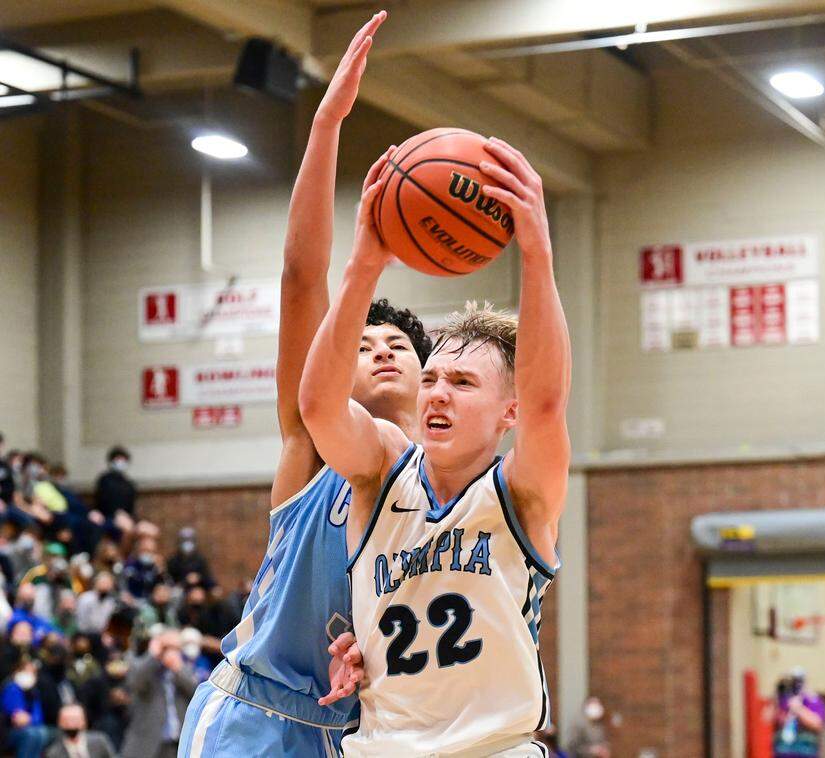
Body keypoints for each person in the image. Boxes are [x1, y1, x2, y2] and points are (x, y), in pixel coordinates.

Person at [178, 12, 433, 758]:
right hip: (254, 720)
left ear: (428, 376)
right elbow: (300, 281)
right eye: (359, 346)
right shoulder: (315, 447)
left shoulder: (448, 495)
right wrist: (326, 128)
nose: (381, 350)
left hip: (363, 735)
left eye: (396, 345)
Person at [300, 124, 572, 753]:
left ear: (508, 411)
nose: (438, 393)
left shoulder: (523, 494)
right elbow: (317, 405)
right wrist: (365, 261)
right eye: (433, 378)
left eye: (463, 382)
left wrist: (537, 254)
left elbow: (548, 401)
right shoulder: (383, 468)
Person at [121, 630, 195, 758]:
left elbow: (196, 693)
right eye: (167, 648)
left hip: (177, 744)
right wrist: (153, 656)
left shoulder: (182, 668)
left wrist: (178, 669)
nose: (172, 652)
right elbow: (135, 683)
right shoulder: (141, 663)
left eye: (175, 648)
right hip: (147, 744)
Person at [1, 657, 52, 758]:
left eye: (33, 672)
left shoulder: (34, 692)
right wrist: (27, 719)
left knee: (43, 732)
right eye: (26, 671)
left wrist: (29, 719)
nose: (30, 675)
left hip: (30, 728)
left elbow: (38, 717)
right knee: (31, 734)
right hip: (8, 731)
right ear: (17, 672)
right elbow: (18, 719)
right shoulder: (11, 688)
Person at [773, 667, 825, 758]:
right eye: (792, 681)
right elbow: (768, 719)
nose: (795, 684)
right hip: (783, 752)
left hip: (805, 752)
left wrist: (798, 709)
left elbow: (817, 723)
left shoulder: (812, 700)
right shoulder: (783, 700)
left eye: (798, 681)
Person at [45, 703, 117, 758]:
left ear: (84, 722)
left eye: (75, 720)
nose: (71, 724)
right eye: (67, 721)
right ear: (60, 723)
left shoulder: (100, 741)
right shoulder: (53, 753)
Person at [92, 447, 136, 537]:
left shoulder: (128, 483)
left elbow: (131, 504)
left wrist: (126, 515)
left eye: (123, 460)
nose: (121, 462)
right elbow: (101, 501)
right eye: (118, 459)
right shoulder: (105, 480)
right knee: (127, 528)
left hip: (127, 516)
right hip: (108, 517)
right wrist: (116, 514)